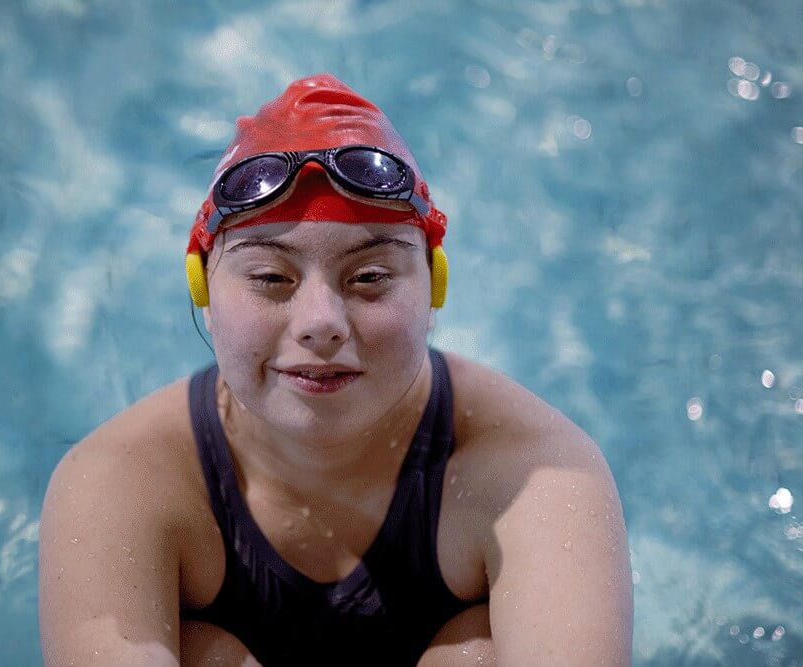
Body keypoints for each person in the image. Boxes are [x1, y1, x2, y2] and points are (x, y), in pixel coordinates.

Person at [38, 74, 633, 666]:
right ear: (204, 293)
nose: (321, 323)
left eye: (370, 277)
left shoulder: (531, 472)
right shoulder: (122, 483)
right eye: (271, 277)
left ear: (435, 287)